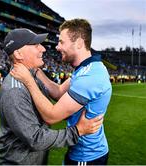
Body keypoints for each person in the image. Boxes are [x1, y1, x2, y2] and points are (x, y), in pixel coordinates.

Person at [10, 19, 112, 165]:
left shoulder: (90, 77)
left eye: (62, 42)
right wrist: (35, 70)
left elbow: (51, 116)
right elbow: (58, 92)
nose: (57, 47)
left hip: (87, 156)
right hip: (82, 151)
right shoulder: (87, 69)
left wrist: (29, 81)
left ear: (78, 43)